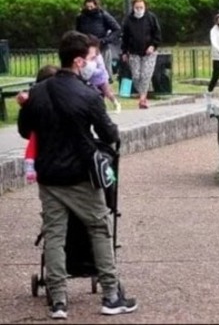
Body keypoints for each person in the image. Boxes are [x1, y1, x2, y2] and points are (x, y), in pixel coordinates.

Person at [17, 31, 137, 319]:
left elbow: (24, 130)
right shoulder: (88, 95)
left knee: (54, 235)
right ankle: (111, 295)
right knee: (99, 228)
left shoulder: (38, 92)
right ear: (79, 61)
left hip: (49, 175)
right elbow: (109, 134)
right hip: (81, 174)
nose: (94, 63)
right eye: (91, 58)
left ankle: (58, 300)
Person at [16, 65, 58, 185]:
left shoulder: (34, 102)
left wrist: (25, 107)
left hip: (45, 162)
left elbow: (25, 132)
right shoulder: (66, 100)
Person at [120, 0, 161, 109]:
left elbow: (157, 34)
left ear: (145, 7)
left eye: (141, 7)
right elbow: (125, 37)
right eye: (136, 7)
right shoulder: (128, 20)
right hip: (134, 52)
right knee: (136, 76)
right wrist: (124, 52)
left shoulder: (151, 18)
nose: (139, 10)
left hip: (149, 52)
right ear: (133, 8)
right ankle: (144, 91)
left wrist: (153, 45)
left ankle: (143, 99)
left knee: (145, 75)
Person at [75, 0, 121, 82]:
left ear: (96, 5)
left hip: (102, 47)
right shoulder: (81, 17)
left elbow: (117, 29)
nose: (89, 9)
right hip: (86, 47)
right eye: (87, 7)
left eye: (91, 7)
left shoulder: (103, 15)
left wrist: (105, 40)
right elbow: (78, 32)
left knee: (103, 72)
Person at [85, 35, 121, 113]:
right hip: (91, 80)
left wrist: (93, 70)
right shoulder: (86, 55)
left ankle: (116, 103)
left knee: (108, 92)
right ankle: (99, 108)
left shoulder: (98, 56)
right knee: (95, 95)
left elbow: (101, 68)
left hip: (101, 78)